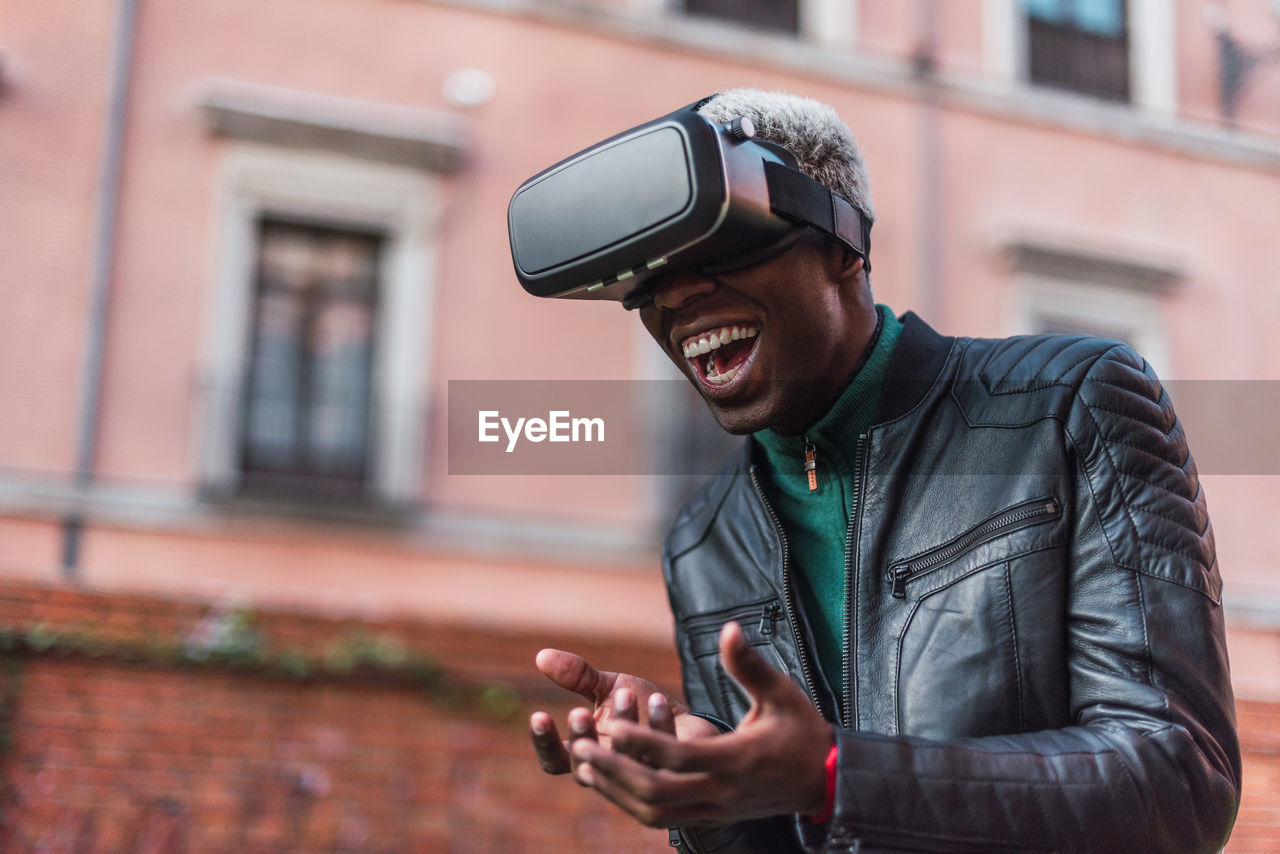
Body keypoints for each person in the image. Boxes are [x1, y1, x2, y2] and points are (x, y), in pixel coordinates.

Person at [525, 89, 1241, 853]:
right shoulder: (703, 539)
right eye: (647, 273)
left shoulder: (1072, 404)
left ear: (842, 246)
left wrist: (837, 775)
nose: (677, 292)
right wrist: (706, 792)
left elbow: (1177, 779)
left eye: (724, 244)